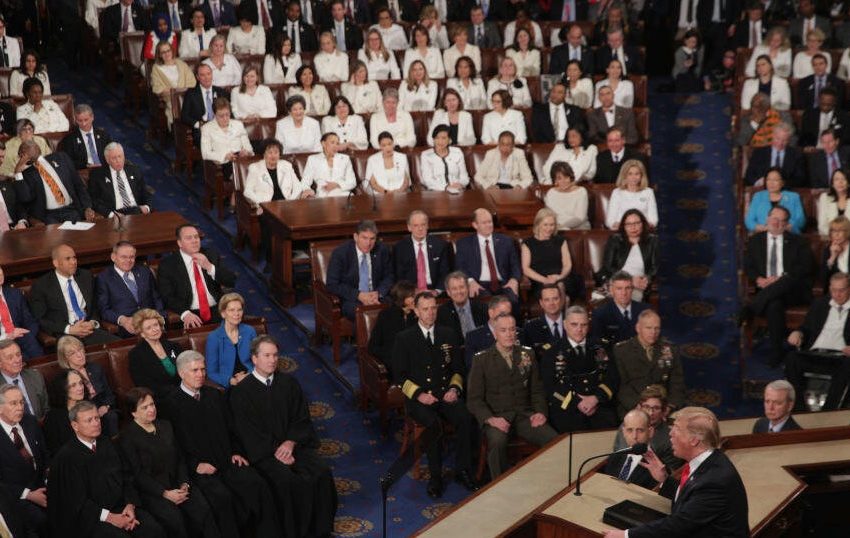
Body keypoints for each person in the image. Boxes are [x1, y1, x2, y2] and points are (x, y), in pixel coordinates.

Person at [229, 335, 338, 537]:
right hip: (264, 454)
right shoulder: (241, 392)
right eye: (267, 355)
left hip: (294, 445)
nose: (272, 360)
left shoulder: (289, 383)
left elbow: (301, 417)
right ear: (254, 359)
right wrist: (276, 450)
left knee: (321, 472)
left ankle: (321, 531)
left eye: (275, 355)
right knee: (287, 482)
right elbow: (248, 431)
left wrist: (290, 443)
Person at [165, 351, 281, 537]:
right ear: (181, 373)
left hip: (227, 460)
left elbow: (232, 428)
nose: (201, 374)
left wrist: (236, 451)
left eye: (203, 369)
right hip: (201, 470)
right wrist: (195, 465)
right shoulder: (170, 405)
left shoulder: (214, 395)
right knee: (222, 499)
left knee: (257, 484)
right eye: (194, 370)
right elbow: (174, 446)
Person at [601, 407, 749, 538]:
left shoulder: (714, 480)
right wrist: (664, 479)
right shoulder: (707, 462)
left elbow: (679, 525)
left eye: (676, 428)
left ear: (694, 440)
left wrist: (626, 535)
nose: (670, 433)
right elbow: (689, 499)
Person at [393, 292, 478, 497]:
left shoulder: (448, 334)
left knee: (466, 418)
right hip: (419, 399)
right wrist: (420, 395)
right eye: (425, 309)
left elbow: (458, 369)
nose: (430, 313)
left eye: (433, 308)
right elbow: (399, 377)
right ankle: (435, 477)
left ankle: (462, 470)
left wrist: (454, 389)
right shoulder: (404, 338)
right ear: (416, 311)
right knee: (433, 425)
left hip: (444, 394)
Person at [49, 400, 165, 537]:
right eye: (89, 420)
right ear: (75, 425)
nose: (96, 423)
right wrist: (110, 518)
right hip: (94, 518)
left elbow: (127, 476)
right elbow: (77, 502)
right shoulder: (67, 458)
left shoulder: (107, 443)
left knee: (154, 529)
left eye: (97, 418)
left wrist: (130, 504)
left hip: (123, 507)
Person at [467, 313, 558, 480]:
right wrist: (490, 419)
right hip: (497, 417)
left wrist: (540, 412)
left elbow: (537, 389)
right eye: (503, 330)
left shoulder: (527, 354)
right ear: (495, 333)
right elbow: (474, 399)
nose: (509, 334)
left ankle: (548, 481)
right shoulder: (482, 360)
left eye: (512, 330)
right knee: (497, 442)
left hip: (525, 415)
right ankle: (500, 485)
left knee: (553, 439)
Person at [740, 206, 814, 367]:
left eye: (781, 220)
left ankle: (751, 308)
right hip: (767, 290)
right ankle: (776, 351)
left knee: (786, 280)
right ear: (767, 219)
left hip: (793, 290)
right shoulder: (755, 241)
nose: (776, 222)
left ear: (787, 224)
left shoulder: (799, 242)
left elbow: (805, 267)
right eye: (774, 218)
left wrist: (780, 279)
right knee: (774, 304)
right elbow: (748, 265)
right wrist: (758, 279)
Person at [539, 305, 618, 433]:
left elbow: (612, 377)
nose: (579, 329)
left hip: (599, 405)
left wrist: (596, 398)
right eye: (574, 324)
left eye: (584, 325)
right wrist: (578, 402)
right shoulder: (551, 352)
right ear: (564, 324)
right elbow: (550, 386)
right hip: (568, 408)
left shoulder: (601, 347)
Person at [29, 244, 117, 346]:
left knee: (119, 346)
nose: (73, 262)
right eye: (68, 259)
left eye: (74, 258)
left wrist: (93, 322)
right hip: (65, 334)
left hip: (89, 329)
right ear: (56, 263)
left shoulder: (86, 276)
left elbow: (95, 306)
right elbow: (40, 318)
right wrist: (69, 329)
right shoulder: (42, 285)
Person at [785, 272, 850, 410]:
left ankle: (829, 410)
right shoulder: (820, 304)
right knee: (792, 358)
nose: (837, 294)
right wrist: (798, 332)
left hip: (840, 357)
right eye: (833, 290)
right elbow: (806, 327)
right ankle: (799, 409)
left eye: (841, 290)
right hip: (815, 353)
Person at [158, 224, 237, 328]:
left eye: (196, 237)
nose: (194, 240)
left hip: (216, 309)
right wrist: (184, 313)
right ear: (179, 243)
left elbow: (231, 281)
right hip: (189, 312)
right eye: (189, 238)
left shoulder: (210, 254)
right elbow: (167, 296)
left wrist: (209, 267)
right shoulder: (168, 265)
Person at [614, 310, 685, 419]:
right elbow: (621, 385)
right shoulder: (622, 351)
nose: (653, 332)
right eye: (649, 328)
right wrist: (639, 407)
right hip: (634, 407)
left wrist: (669, 406)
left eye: (657, 328)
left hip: (663, 407)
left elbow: (677, 383)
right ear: (638, 328)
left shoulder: (670, 349)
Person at [0, 382, 48, 536]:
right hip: (16, 496)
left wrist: (50, 472)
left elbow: (45, 454)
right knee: (41, 520)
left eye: (21, 402)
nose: (20, 407)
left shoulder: (30, 422)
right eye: (13, 403)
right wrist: (28, 494)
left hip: (43, 484)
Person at [326, 220, 394, 319]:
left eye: (372, 239)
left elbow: (389, 276)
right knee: (364, 315)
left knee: (394, 311)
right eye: (364, 238)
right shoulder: (340, 253)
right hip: (352, 299)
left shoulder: (382, 250)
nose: (368, 243)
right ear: (355, 237)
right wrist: (358, 295)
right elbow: (332, 284)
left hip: (376, 296)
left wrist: (378, 293)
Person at [97, 242, 168, 339]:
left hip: (153, 323)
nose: (128, 261)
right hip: (128, 327)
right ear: (113, 257)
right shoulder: (104, 278)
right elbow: (104, 309)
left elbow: (156, 298)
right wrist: (122, 320)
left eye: (132, 257)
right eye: (124, 257)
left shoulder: (144, 272)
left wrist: (160, 317)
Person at [14, 140, 94, 224]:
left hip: (71, 210)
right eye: (24, 150)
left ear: (38, 147)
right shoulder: (27, 174)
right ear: (21, 156)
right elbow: (25, 198)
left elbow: (78, 184)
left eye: (31, 146)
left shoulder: (61, 157)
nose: (30, 149)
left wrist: (87, 207)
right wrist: (18, 171)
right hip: (49, 216)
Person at [455, 208, 521, 304]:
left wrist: (514, 279)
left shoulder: (506, 241)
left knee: (512, 302)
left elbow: (515, 264)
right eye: (484, 223)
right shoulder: (464, 244)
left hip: (504, 283)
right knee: (485, 304)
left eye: (490, 222)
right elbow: (460, 267)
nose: (489, 225)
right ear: (475, 225)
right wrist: (470, 281)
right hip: (479, 284)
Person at [56, 335, 118, 430]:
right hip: (82, 413)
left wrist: (106, 406)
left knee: (111, 417)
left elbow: (109, 394)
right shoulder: (64, 378)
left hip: (102, 408)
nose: (80, 355)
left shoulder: (95, 368)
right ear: (65, 358)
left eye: (80, 349)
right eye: (73, 353)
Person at [522, 207, 584, 301]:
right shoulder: (528, 243)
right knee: (563, 297)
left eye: (552, 225)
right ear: (538, 224)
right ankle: (562, 311)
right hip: (540, 280)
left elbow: (567, 264)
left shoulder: (561, 241)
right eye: (545, 225)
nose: (549, 228)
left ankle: (560, 313)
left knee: (561, 285)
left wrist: (560, 276)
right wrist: (545, 280)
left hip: (561, 277)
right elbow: (526, 269)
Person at [596, 209, 659, 301]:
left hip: (639, 282)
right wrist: (629, 280)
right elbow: (608, 266)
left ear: (643, 223)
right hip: (617, 278)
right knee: (621, 294)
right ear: (623, 226)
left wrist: (646, 279)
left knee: (631, 295)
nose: (633, 227)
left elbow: (655, 267)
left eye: (637, 223)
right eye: (628, 224)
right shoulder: (615, 240)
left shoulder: (653, 241)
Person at [612, 385, 680, 469]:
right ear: (639, 407)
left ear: (664, 411)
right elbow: (616, 455)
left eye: (656, 408)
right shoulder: (626, 425)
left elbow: (669, 474)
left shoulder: (670, 439)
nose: (651, 413)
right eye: (646, 407)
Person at [128, 309, 183, 400]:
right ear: (142, 333)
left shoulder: (174, 346)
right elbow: (143, 384)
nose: (155, 329)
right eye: (148, 328)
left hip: (183, 391)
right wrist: (174, 392)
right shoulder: (135, 355)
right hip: (160, 398)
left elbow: (186, 369)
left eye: (156, 325)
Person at [205, 293, 256, 389]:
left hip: (250, 376)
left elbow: (258, 360)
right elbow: (211, 372)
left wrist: (248, 375)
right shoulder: (214, 338)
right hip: (231, 383)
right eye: (231, 310)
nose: (236, 314)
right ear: (223, 313)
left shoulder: (249, 331)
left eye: (239, 310)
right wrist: (230, 380)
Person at [200, 98, 254, 189]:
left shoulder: (238, 124)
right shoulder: (207, 128)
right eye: (221, 116)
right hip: (223, 164)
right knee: (241, 171)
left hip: (240, 159)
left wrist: (246, 152)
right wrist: (225, 155)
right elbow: (205, 153)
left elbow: (248, 147)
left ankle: (236, 196)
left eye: (227, 115)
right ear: (215, 115)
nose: (225, 118)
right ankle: (237, 197)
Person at [392, 210, 451, 293]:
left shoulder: (440, 245)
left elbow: (445, 272)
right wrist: (411, 292)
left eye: (423, 225)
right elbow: (399, 277)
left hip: (434, 290)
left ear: (427, 226)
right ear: (409, 227)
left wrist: (437, 291)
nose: (420, 229)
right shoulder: (400, 248)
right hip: (411, 292)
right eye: (416, 225)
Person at [88, 142, 152, 218]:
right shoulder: (97, 175)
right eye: (114, 158)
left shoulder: (134, 170)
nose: (118, 160)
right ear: (107, 160)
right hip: (115, 213)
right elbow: (94, 201)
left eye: (120, 156)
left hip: (137, 211)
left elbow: (145, 193)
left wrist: (146, 207)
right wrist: (111, 215)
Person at [367, 281, 417, 376]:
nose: (416, 299)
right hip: (394, 362)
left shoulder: (416, 315)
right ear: (403, 298)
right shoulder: (386, 316)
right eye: (413, 296)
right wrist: (393, 355)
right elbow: (372, 347)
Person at [602, 409, 658, 489]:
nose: (634, 436)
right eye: (629, 430)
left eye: (640, 430)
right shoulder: (614, 457)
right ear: (624, 432)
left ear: (650, 432)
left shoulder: (657, 466)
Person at [590, 271, 650, 346]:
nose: (624, 293)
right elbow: (597, 343)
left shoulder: (645, 310)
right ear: (612, 290)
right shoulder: (600, 314)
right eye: (619, 288)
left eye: (627, 288)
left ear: (632, 289)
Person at [44, 369, 94, 454]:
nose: (80, 388)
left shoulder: (89, 406)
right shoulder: (53, 417)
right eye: (73, 385)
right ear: (63, 389)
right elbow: (55, 450)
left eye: (80, 383)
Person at [149, 43, 197, 129]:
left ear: (172, 51)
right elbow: (158, 88)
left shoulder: (181, 63)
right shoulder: (156, 68)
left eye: (168, 50)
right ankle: (179, 132)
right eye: (163, 52)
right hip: (171, 99)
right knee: (176, 105)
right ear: (159, 55)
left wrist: (181, 91)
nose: (167, 54)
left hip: (187, 96)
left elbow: (192, 82)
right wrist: (175, 92)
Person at [744, 168, 806, 234]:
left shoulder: (793, 197)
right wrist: (763, 228)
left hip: (787, 232)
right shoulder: (758, 196)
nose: (771, 183)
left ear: (782, 183)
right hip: (762, 232)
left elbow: (801, 220)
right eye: (768, 180)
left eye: (775, 180)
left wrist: (785, 227)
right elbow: (749, 221)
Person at [744, 123, 805, 187]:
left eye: (784, 140)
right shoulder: (759, 153)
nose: (780, 143)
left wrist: (782, 184)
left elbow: (800, 179)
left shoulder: (796, 155)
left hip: (785, 190)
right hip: (761, 188)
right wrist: (759, 182)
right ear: (772, 136)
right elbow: (749, 175)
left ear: (789, 140)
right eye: (778, 138)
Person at [0, 264, 42, 359]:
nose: (0, 274)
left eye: (0, 271)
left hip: (20, 336)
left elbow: (30, 321)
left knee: (32, 346)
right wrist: (6, 336)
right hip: (1, 340)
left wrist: (27, 334)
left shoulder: (14, 293)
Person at [179, 64, 226, 145]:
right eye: (202, 75)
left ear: (212, 75)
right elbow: (184, 116)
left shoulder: (220, 92)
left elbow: (228, 112)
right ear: (197, 77)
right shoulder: (191, 94)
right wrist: (197, 124)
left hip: (220, 126)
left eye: (208, 74)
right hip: (202, 128)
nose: (206, 77)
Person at [436, 271, 487, 344]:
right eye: (454, 289)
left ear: (468, 288)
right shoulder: (442, 313)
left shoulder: (482, 307)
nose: (459, 291)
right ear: (448, 292)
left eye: (462, 287)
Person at [0, 341, 47, 420]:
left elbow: (45, 409)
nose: (17, 360)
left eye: (18, 355)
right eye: (10, 357)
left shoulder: (35, 376)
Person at [463, 295, 514, 367]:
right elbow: (472, 367)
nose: (506, 318)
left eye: (508, 314)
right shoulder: (473, 337)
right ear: (491, 313)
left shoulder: (517, 333)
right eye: (502, 314)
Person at [607, 159, 658, 230]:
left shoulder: (648, 192)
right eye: (630, 174)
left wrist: (643, 226)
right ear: (624, 175)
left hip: (642, 230)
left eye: (637, 174)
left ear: (642, 176)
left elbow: (653, 220)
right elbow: (610, 221)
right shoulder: (617, 192)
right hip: (622, 230)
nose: (633, 177)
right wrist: (623, 227)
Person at [59, 104, 112, 170]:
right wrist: (86, 165)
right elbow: (68, 162)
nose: (83, 124)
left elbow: (112, 152)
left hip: (104, 169)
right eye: (80, 121)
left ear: (92, 117)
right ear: (75, 120)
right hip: (84, 170)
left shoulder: (103, 135)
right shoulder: (70, 140)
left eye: (86, 120)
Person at [420, 125, 470, 190]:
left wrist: (460, 184)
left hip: (457, 190)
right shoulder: (426, 155)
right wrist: (446, 187)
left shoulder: (457, 152)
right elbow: (428, 180)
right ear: (433, 139)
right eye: (437, 138)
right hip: (436, 192)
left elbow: (464, 176)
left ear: (449, 140)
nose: (440, 141)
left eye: (443, 138)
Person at [522, 284, 567, 354]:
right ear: (541, 303)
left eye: (555, 299)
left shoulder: (572, 322)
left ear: (561, 300)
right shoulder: (531, 327)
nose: (551, 303)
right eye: (547, 300)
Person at [822, 216, 850, 288]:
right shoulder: (827, 250)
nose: (836, 234)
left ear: (847, 232)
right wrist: (832, 257)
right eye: (834, 231)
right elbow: (823, 279)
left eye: (840, 231)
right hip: (836, 290)